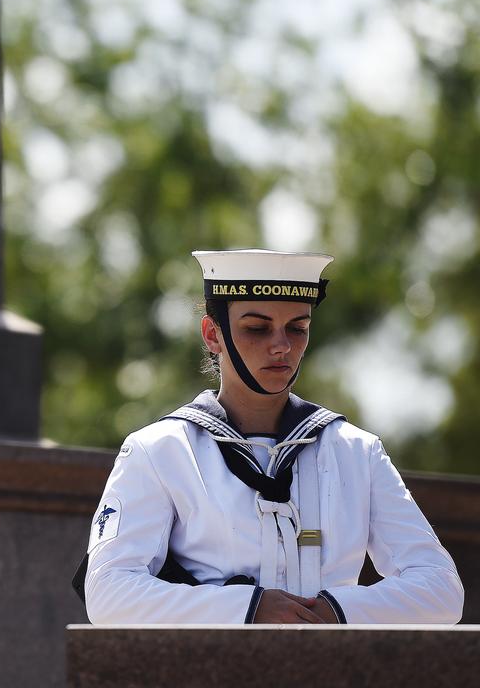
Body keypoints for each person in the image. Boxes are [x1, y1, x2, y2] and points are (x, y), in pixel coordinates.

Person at [81, 249, 464, 624]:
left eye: (297, 328)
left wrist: (337, 611)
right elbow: (108, 592)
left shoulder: (357, 452)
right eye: (257, 328)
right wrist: (247, 610)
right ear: (213, 335)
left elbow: (441, 588)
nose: (282, 346)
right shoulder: (159, 451)